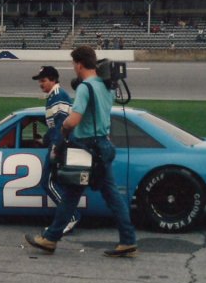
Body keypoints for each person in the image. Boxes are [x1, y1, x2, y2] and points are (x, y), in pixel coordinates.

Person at [25, 46, 137, 257]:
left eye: (73, 64)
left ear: (78, 64)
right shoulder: (107, 87)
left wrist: (65, 129)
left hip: (86, 147)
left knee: (72, 195)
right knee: (111, 196)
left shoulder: (86, 87)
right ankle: (128, 240)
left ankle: (50, 239)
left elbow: (73, 120)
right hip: (103, 145)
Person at [32, 66, 81, 235]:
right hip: (58, 143)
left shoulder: (59, 96)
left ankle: (71, 216)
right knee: (55, 183)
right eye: (39, 81)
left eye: (43, 80)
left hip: (61, 146)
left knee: (47, 182)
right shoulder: (53, 96)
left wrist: (55, 147)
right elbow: (54, 127)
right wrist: (44, 139)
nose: (40, 84)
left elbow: (62, 124)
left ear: (53, 79)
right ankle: (69, 216)